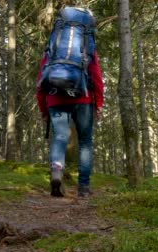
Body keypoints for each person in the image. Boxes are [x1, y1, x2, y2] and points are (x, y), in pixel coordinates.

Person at [36, 11, 104, 198]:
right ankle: (83, 187)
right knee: (85, 141)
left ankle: (56, 172)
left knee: (59, 136)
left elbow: (41, 79)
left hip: (55, 97)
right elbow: (97, 77)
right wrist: (98, 103)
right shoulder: (87, 45)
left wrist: (43, 109)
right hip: (83, 98)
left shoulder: (53, 45)